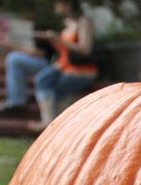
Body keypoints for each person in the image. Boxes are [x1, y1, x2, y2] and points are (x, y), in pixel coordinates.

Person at [27, 0, 98, 132]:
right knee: (43, 81)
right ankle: (50, 123)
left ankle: (49, 123)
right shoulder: (67, 23)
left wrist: (58, 39)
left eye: (58, 3)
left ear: (67, 4)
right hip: (64, 66)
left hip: (81, 70)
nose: (55, 6)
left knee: (47, 86)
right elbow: (63, 50)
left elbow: (85, 49)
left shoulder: (83, 22)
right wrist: (52, 40)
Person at [0, 32, 55, 112]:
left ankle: (17, 100)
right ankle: (17, 99)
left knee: (14, 59)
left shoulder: (44, 24)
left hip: (52, 63)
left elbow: (40, 53)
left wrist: (12, 46)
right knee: (13, 59)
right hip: (50, 62)